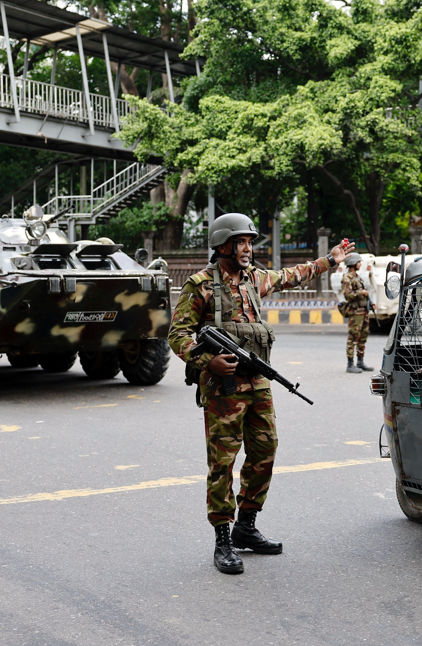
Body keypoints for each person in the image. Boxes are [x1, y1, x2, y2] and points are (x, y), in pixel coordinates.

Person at [167, 212, 354, 575]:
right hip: (223, 388)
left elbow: (291, 276)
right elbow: (177, 334)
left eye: (250, 242)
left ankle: (246, 527)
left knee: (265, 450)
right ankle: (222, 538)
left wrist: (329, 260)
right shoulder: (201, 285)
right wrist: (208, 361)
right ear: (223, 245)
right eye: (242, 242)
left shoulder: (254, 279)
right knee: (222, 463)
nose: (248, 248)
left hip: (257, 383)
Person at [341, 253, 374, 373]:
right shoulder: (347, 278)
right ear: (353, 264)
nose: (360, 264)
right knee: (353, 337)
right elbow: (348, 296)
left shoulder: (357, 277)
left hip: (363, 311)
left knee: (363, 336)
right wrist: (362, 293)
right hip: (355, 313)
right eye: (359, 262)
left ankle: (360, 362)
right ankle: (350, 365)